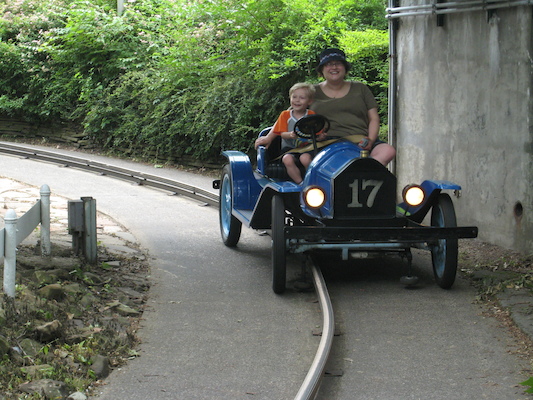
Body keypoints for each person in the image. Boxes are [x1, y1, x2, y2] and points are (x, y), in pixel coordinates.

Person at [310, 48, 396, 166]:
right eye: (329, 64)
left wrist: (370, 140)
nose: (334, 67)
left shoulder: (360, 88)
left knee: (388, 151)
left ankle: (366, 172)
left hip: (360, 140)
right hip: (325, 143)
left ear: (345, 68)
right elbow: (294, 116)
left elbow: (374, 118)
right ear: (322, 70)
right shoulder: (311, 91)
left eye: (338, 64)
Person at [255, 82, 326, 183]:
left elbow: (316, 133)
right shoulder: (285, 115)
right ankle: (300, 182)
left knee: (306, 159)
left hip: (306, 148)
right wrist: (290, 135)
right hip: (289, 149)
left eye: (302, 98)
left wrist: (320, 136)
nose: (297, 100)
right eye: (294, 97)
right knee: (287, 159)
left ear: (309, 101)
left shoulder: (311, 115)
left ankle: (311, 181)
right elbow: (281, 133)